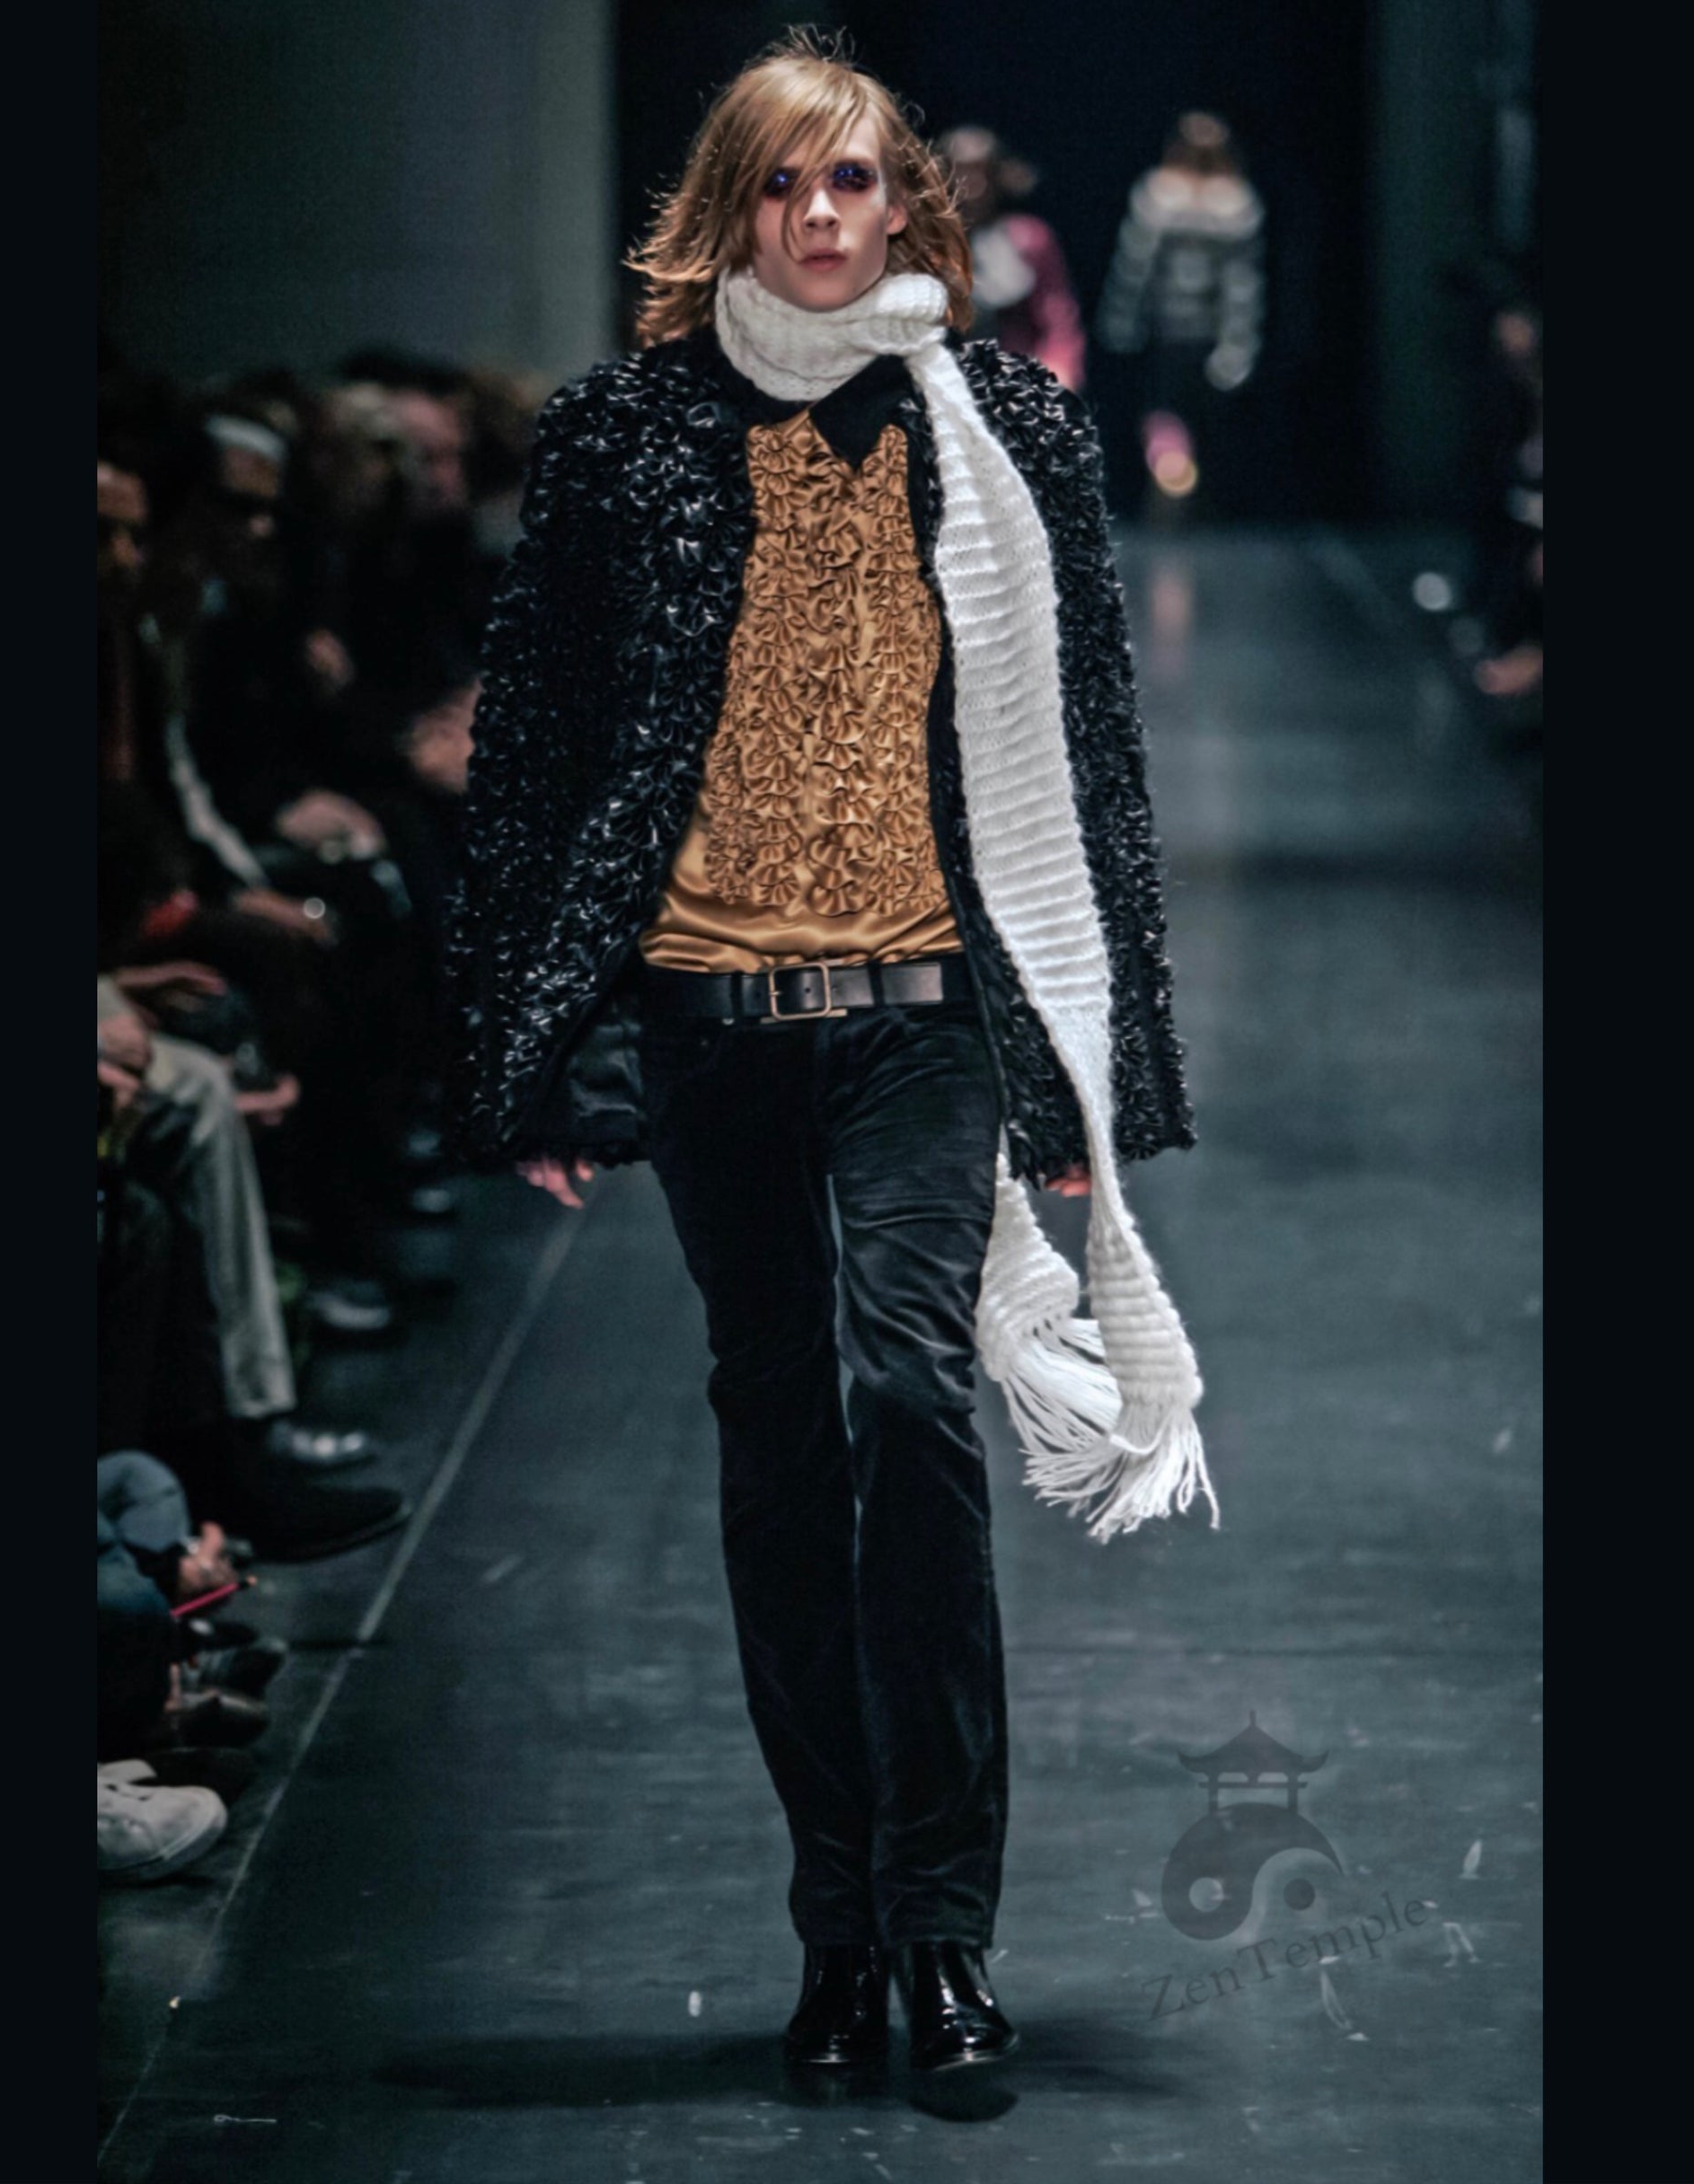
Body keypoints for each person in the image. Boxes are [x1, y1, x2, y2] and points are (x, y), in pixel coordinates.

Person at [450, 30, 1211, 2078]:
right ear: (731, 207)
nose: (817, 214)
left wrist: (1093, 1082)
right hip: (707, 1022)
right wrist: (532, 1052)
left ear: (904, 206)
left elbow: (1090, 763)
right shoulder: (620, 435)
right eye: (781, 182)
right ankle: (838, 1922)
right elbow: (537, 753)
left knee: (906, 1400)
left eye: (852, 178)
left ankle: (945, 1931)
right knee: (781, 1446)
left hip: (922, 1012)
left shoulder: (1009, 427)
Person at [1095, 111, 1265, 512]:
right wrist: (1123, 318)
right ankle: (1174, 475)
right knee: (1166, 411)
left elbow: (1242, 283)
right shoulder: (1161, 194)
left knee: (1204, 417)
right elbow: (1135, 266)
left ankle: (1199, 491)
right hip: (1166, 329)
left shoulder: (1233, 200)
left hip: (1207, 331)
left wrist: (1237, 344)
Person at [936, 125, 1087, 392]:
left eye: (982, 171)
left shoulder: (1029, 239)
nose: (974, 185)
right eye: (963, 172)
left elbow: (1057, 319)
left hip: (1015, 380)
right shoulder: (927, 244)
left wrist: (1059, 368)